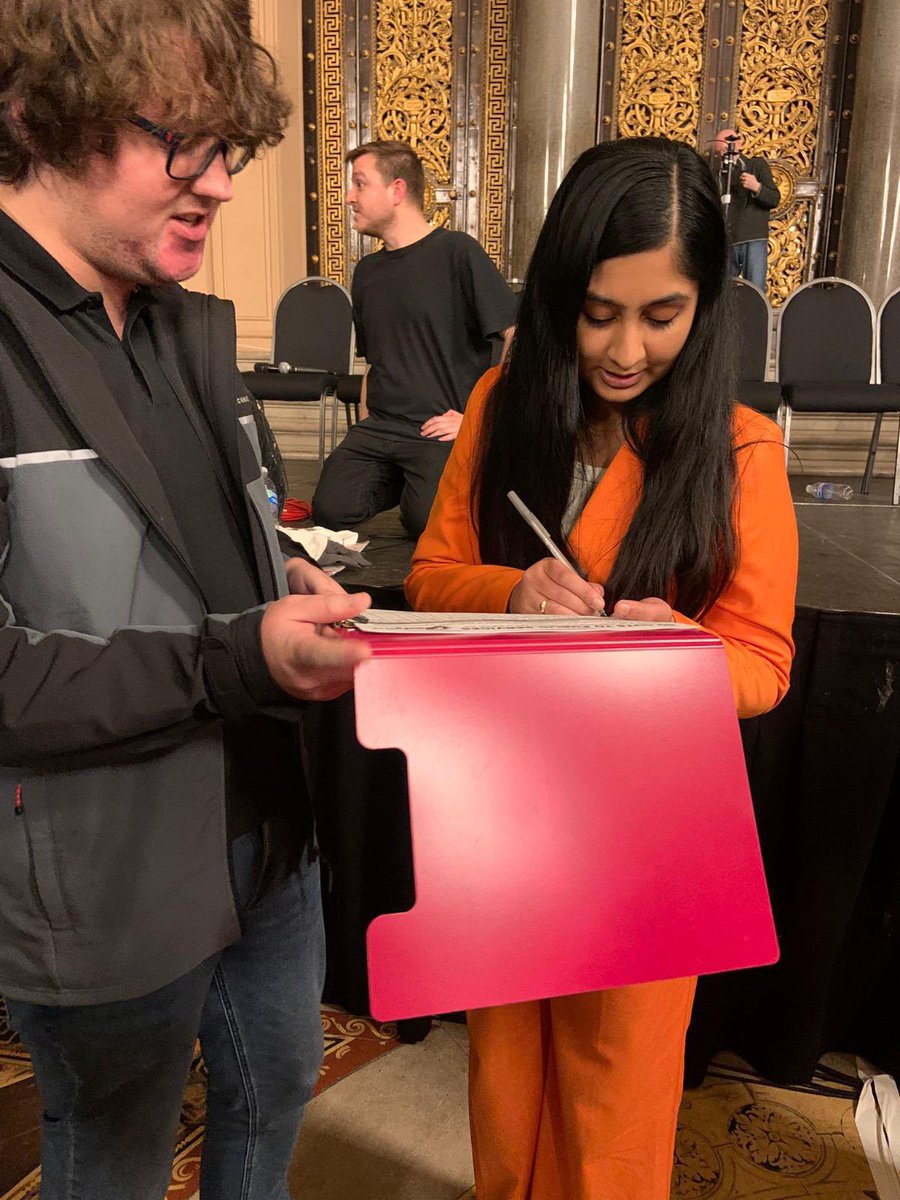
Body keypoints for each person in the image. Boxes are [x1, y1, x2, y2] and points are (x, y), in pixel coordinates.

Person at [0, 2, 372, 1197]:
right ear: (36, 110)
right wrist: (234, 658)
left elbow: (200, 531)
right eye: (182, 143)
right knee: (112, 1157)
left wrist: (280, 569)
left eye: (233, 149)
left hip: (265, 830)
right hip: (103, 874)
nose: (217, 184)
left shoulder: (177, 320)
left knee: (274, 1094)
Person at [406, 136, 798, 1199]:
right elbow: (434, 577)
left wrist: (667, 656)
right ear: (557, 296)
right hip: (503, 804)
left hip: (646, 825)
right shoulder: (503, 404)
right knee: (504, 1072)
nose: (624, 349)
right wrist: (512, 593)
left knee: (615, 1088)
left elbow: (763, 659)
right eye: (597, 311)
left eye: (660, 316)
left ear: (706, 306)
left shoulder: (741, 447)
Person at [312, 140, 518, 538]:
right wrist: (368, 423)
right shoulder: (367, 271)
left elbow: (516, 335)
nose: (348, 198)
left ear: (397, 190)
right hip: (382, 426)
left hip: (438, 428)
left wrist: (479, 418)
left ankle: (424, 494)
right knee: (330, 511)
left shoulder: (458, 252)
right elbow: (375, 360)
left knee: (424, 521)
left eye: (359, 184)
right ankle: (407, 483)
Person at [712, 128, 780, 293]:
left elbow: (774, 198)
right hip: (727, 242)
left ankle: (756, 318)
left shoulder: (755, 165)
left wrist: (757, 187)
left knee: (755, 289)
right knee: (723, 290)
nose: (724, 149)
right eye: (720, 147)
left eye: (727, 142)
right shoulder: (717, 175)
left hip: (752, 238)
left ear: (739, 143)